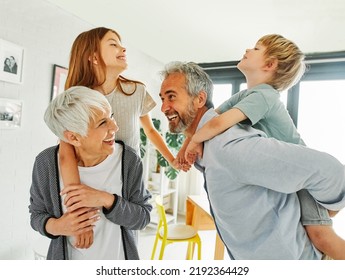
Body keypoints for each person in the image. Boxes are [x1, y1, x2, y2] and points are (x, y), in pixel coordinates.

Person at [180, 34, 345, 260]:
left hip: (304, 183)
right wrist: (188, 143)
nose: (248, 49)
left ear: (269, 65)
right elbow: (210, 119)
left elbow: (218, 123)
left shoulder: (264, 96)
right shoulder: (246, 95)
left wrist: (194, 142)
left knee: (321, 236)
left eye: (256, 48)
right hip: (289, 181)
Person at [61, 27, 189, 247]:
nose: (123, 48)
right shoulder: (78, 97)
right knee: (91, 245)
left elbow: (150, 131)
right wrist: (78, 208)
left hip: (128, 182)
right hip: (89, 181)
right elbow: (66, 153)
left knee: (126, 242)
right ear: (92, 56)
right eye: (113, 44)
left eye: (121, 43)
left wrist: (172, 159)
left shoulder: (136, 91)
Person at [29, 86, 152, 260]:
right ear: (73, 137)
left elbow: (143, 218)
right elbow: (37, 215)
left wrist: (106, 199)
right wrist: (57, 226)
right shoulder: (46, 163)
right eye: (102, 123)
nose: (114, 127)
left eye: (111, 116)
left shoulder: (128, 160)